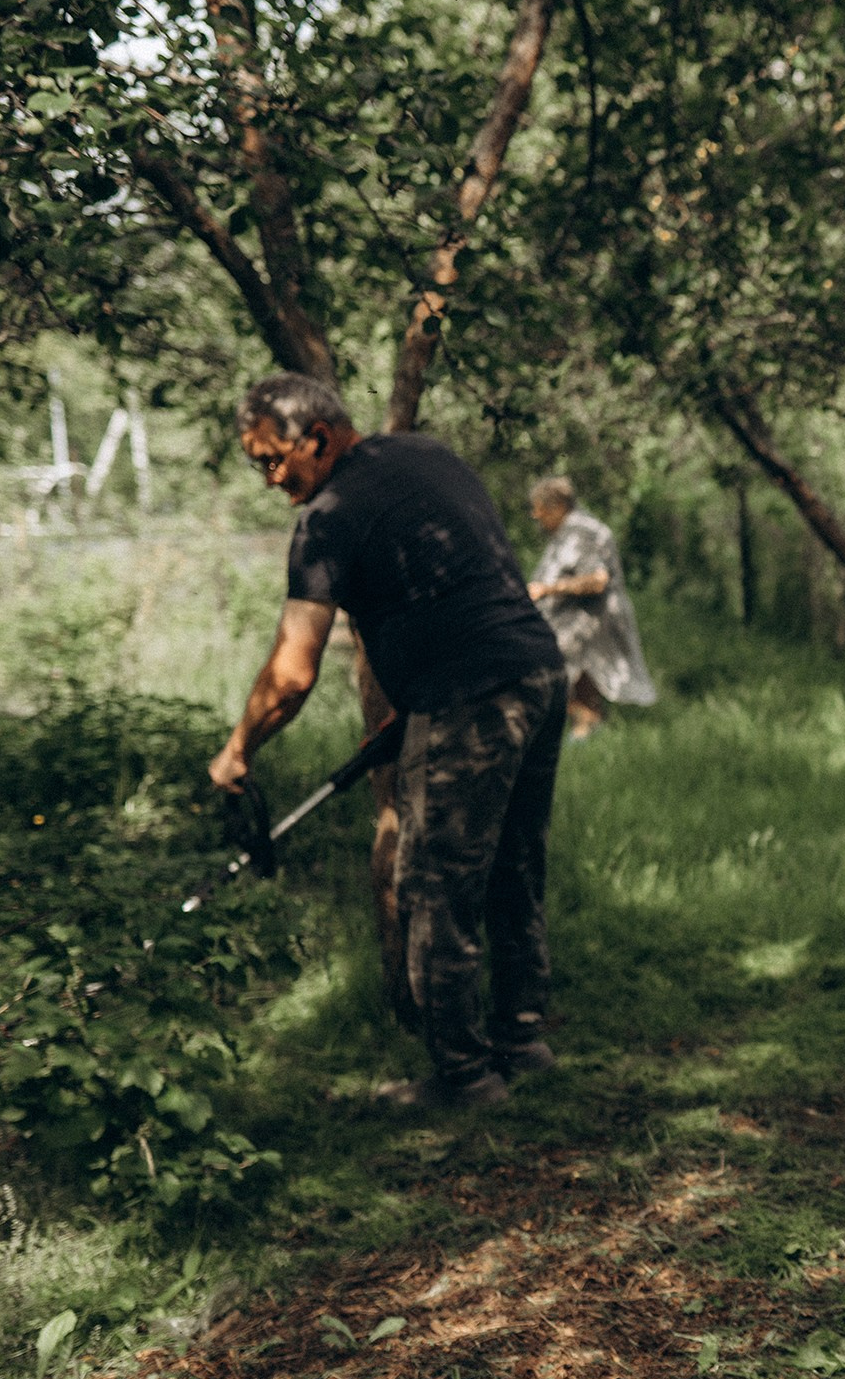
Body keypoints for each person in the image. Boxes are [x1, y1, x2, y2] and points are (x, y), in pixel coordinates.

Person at [210, 373, 568, 1109]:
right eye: (257, 465)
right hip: (535, 672)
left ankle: (464, 1075)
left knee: (436, 884)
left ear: (318, 437)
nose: (271, 480)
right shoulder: (428, 455)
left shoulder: (329, 516)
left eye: (275, 460)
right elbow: (462, 583)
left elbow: (291, 673)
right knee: (512, 863)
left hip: (470, 695)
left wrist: (239, 747)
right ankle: (521, 1038)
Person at [527, 476, 657, 738]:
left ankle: (585, 727)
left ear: (558, 506)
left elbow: (597, 582)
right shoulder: (565, 532)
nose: (535, 515)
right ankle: (582, 728)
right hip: (576, 617)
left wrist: (547, 589)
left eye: (539, 508)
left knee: (558, 657)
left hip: (594, 617)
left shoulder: (583, 532)